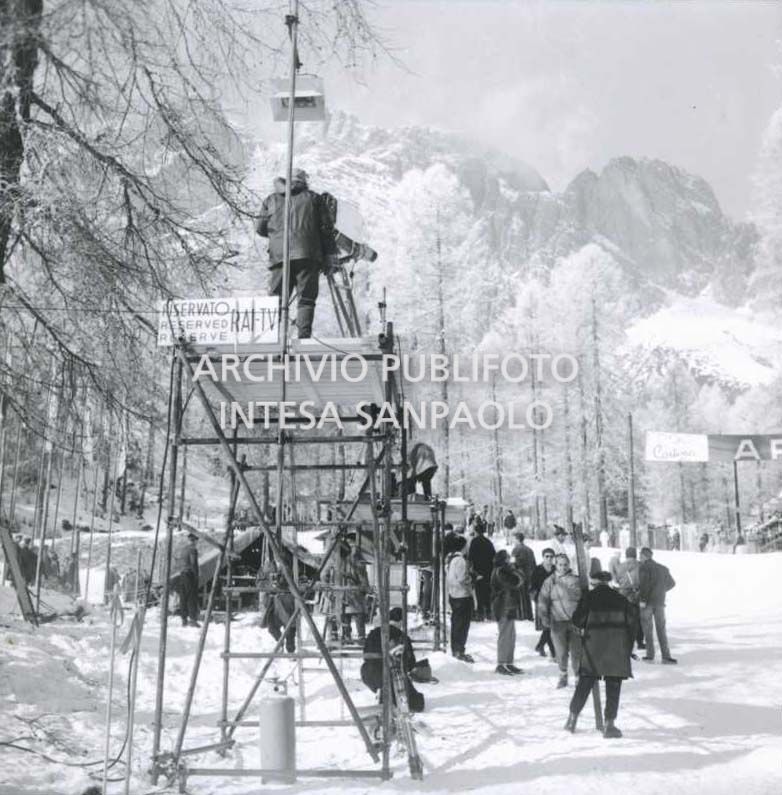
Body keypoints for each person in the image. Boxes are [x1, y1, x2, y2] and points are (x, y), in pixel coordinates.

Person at [255, 169, 338, 339]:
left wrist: (278, 236)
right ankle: (303, 338)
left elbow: (260, 228)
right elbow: (326, 229)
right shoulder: (314, 198)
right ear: (303, 181)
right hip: (308, 255)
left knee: (275, 300)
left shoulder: (270, 200)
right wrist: (329, 255)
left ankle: (269, 339)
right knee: (306, 299)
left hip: (279, 256)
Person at [564, 565, 636, 738]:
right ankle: (609, 724)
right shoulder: (622, 599)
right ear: (609, 582)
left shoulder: (589, 597)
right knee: (613, 686)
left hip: (593, 647)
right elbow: (633, 626)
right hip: (616, 649)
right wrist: (628, 648)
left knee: (585, 683)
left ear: (594, 582)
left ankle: (572, 719)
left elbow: (578, 621)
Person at [361, 606, 424, 712]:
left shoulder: (373, 633)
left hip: (368, 673)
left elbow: (365, 654)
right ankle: (390, 696)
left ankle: (382, 693)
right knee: (416, 703)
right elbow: (410, 664)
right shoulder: (402, 636)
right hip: (391, 676)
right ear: (400, 622)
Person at [538, 553, 583, 688]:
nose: (563, 567)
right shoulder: (549, 581)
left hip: (575, 622)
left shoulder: (576, 580)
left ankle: (578, 677)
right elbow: (542, 600)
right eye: (560, 565)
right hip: (557, 622)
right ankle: (563, 675)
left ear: (569, 565)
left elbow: (584, 600)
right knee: (561, 652)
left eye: (565, 564)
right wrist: (544, 617)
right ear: (555, 565)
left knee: (576, 652)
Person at [638, 547, 677, 664]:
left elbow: (644, 585)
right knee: (661, 629)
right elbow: (672, 583)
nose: (640, 558)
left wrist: (643, 600)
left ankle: (650, 655)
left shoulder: (644, 567)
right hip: (660, 603)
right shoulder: (663, 568)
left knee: (648, 629)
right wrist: (661, 591)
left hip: (648, 603)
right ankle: (666, 656)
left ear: (644, 556)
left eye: (641, 556)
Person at [490, 550, 526, 675]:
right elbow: (516, 582)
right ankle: (501, 664)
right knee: (505, 635)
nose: (511, 559)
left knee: (511, 635)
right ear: (504, 559)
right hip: (503, 606)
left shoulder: (504, 570)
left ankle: (509, 663)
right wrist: (515, 570)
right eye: (508, 557)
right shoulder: (501, 571)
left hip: (508, 606)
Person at [446, 535, 474, 662]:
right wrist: (472, 580)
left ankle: (455, 649)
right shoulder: (461, 561)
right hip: (462, 595)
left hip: (453, 594)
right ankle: (459, 649)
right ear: (463, 547)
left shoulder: (451, 559)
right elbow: (462, 579)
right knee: (463, 624)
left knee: (456, 623)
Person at [615, 547, 644, 652]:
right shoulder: (640, 565)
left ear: (626, 555)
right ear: (635, 555)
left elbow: (617, 579)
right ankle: (640, 642)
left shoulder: (620, 566)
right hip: (636, 593)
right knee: (638, 618)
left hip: (623, 593)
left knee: (623, 618)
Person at [530, 547, 556, 657]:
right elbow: (532, 587)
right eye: (547, 556)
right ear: (543, 557)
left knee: (552, 626)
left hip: (555, 601)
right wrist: (536, 599)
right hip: (542, 601)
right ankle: (553, 651)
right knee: (547, 626)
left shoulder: (556, 569)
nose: (549, 559)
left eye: (551, 557)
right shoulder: (537, 570)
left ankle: (540, 645)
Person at [468, 522, 495, 621]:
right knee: (487, 591)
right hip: (488, 570)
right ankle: (488, 612)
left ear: (475, 531)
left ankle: (480, 614)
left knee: (479, 592)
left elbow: (471, 557)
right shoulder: (488, 542)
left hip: (478, 570)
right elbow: (493, 556)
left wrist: (471, 569)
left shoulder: (474, 542)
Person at [176, 532, 200, 627]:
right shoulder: (192, 550)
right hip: (189, 575)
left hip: (182, 574)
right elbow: (193, 563)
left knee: (183, 597)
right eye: (195, 541)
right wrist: (196, 575)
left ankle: (184, 619)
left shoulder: (183, 550)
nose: (196, 543)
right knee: (191, 597)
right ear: (193, 541)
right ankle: (193, 619)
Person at [511, 531, 536, 621]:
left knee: (520, 596)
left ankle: (521, 615)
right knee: (527, 596)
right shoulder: (529, 550)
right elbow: (534, 563)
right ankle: (529, 614)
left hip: (519, 575)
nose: (513, 541)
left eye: (513, 539)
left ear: (517, 539)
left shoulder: (515, 550)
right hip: (529, 575)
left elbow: (513, 563)